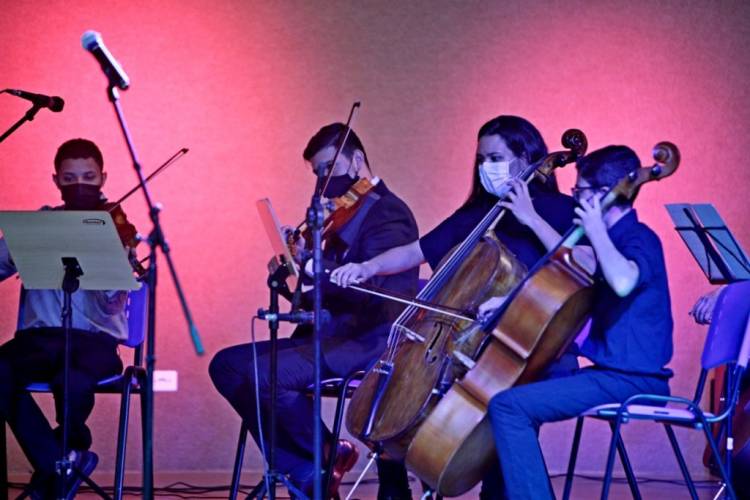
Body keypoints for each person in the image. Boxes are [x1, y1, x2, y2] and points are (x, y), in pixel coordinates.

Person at [331, 115, 579, 499]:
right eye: (480, 159)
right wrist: (367, 266)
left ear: (526, 157)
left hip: (529, 346)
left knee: (501, 410)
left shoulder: (560, 210)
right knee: (393, 389)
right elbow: (417, 250)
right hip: (471, 343)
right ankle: (394, 492)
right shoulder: (479, 214)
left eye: (495, 158)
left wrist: (529, 216)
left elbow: (577, 269)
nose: (485, 168)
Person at [209, 123, 420, 497]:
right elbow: (314, 295)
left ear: (356, 161)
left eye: (328, 171)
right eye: (316, 175)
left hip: (366, 337)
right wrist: (292, 270)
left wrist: (315, 268)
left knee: (267, 375)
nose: (322, 185)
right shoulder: (335, 216)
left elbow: (375, 293)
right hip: (327, 332)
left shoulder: (388, 213)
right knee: (226, 365)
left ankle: (320, 458)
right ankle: (311, 463)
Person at [484, 145, 674, 499]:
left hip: (631, 380)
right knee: (522, 387)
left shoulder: (639, 238)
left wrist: (595, 231)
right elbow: (569, 262)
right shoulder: (611, 240)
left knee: (507, 407)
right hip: (607, 374)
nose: (575, 199)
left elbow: (622, 280)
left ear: (603, 195)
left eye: (580, 192)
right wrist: (508, 302)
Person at [0, 138, 132, 498]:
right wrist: (19, 249)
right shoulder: (39, 225)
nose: (79, 186)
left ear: (103, 178)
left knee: (71, 379)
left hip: (94, 342)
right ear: (56, 180)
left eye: (89, 177)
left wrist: (113, 256)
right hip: (38, 340)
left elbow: (116, 300)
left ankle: (61, 460)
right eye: (69, 178)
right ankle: (57, 461)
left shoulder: (115, 227)